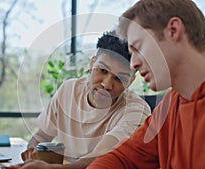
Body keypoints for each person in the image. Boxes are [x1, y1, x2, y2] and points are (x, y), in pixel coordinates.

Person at [87, 0, 205, 169]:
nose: (133, 64)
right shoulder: (170, 106)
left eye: (138, 48)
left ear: (173, 30)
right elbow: (124, 158)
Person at [13, 30, 151, 169]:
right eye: (102, 70)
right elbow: (42, 135)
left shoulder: (137, 111)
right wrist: (31, 154)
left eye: (120, 78)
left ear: (131, 81)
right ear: (92, 63)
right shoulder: (68, 90)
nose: (107, 84)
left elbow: (99, 159)